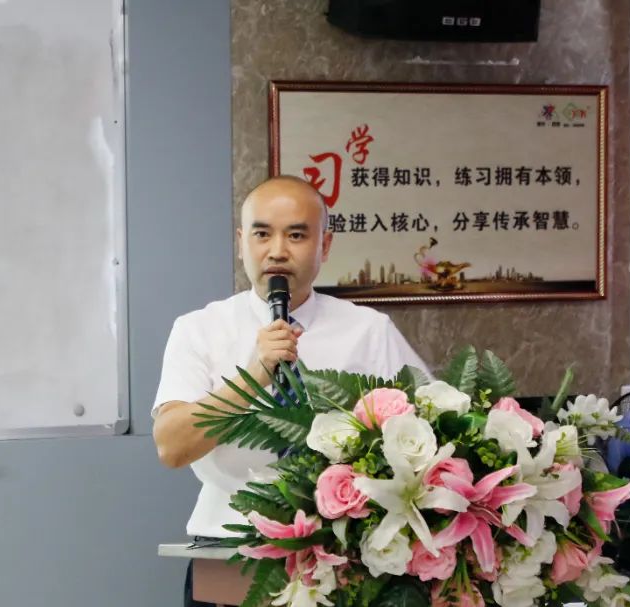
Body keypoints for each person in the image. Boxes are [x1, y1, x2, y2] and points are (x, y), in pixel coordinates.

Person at [150, 175, 429, 606]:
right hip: (228, 545)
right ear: (241, 242)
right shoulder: (199, 330)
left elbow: (430, 434)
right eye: (262, 234)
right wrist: (253, 376)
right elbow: (171, 446)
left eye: (296, 235)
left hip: (347, 551)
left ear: (325, 245)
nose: (277, 251)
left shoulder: (368, 331)